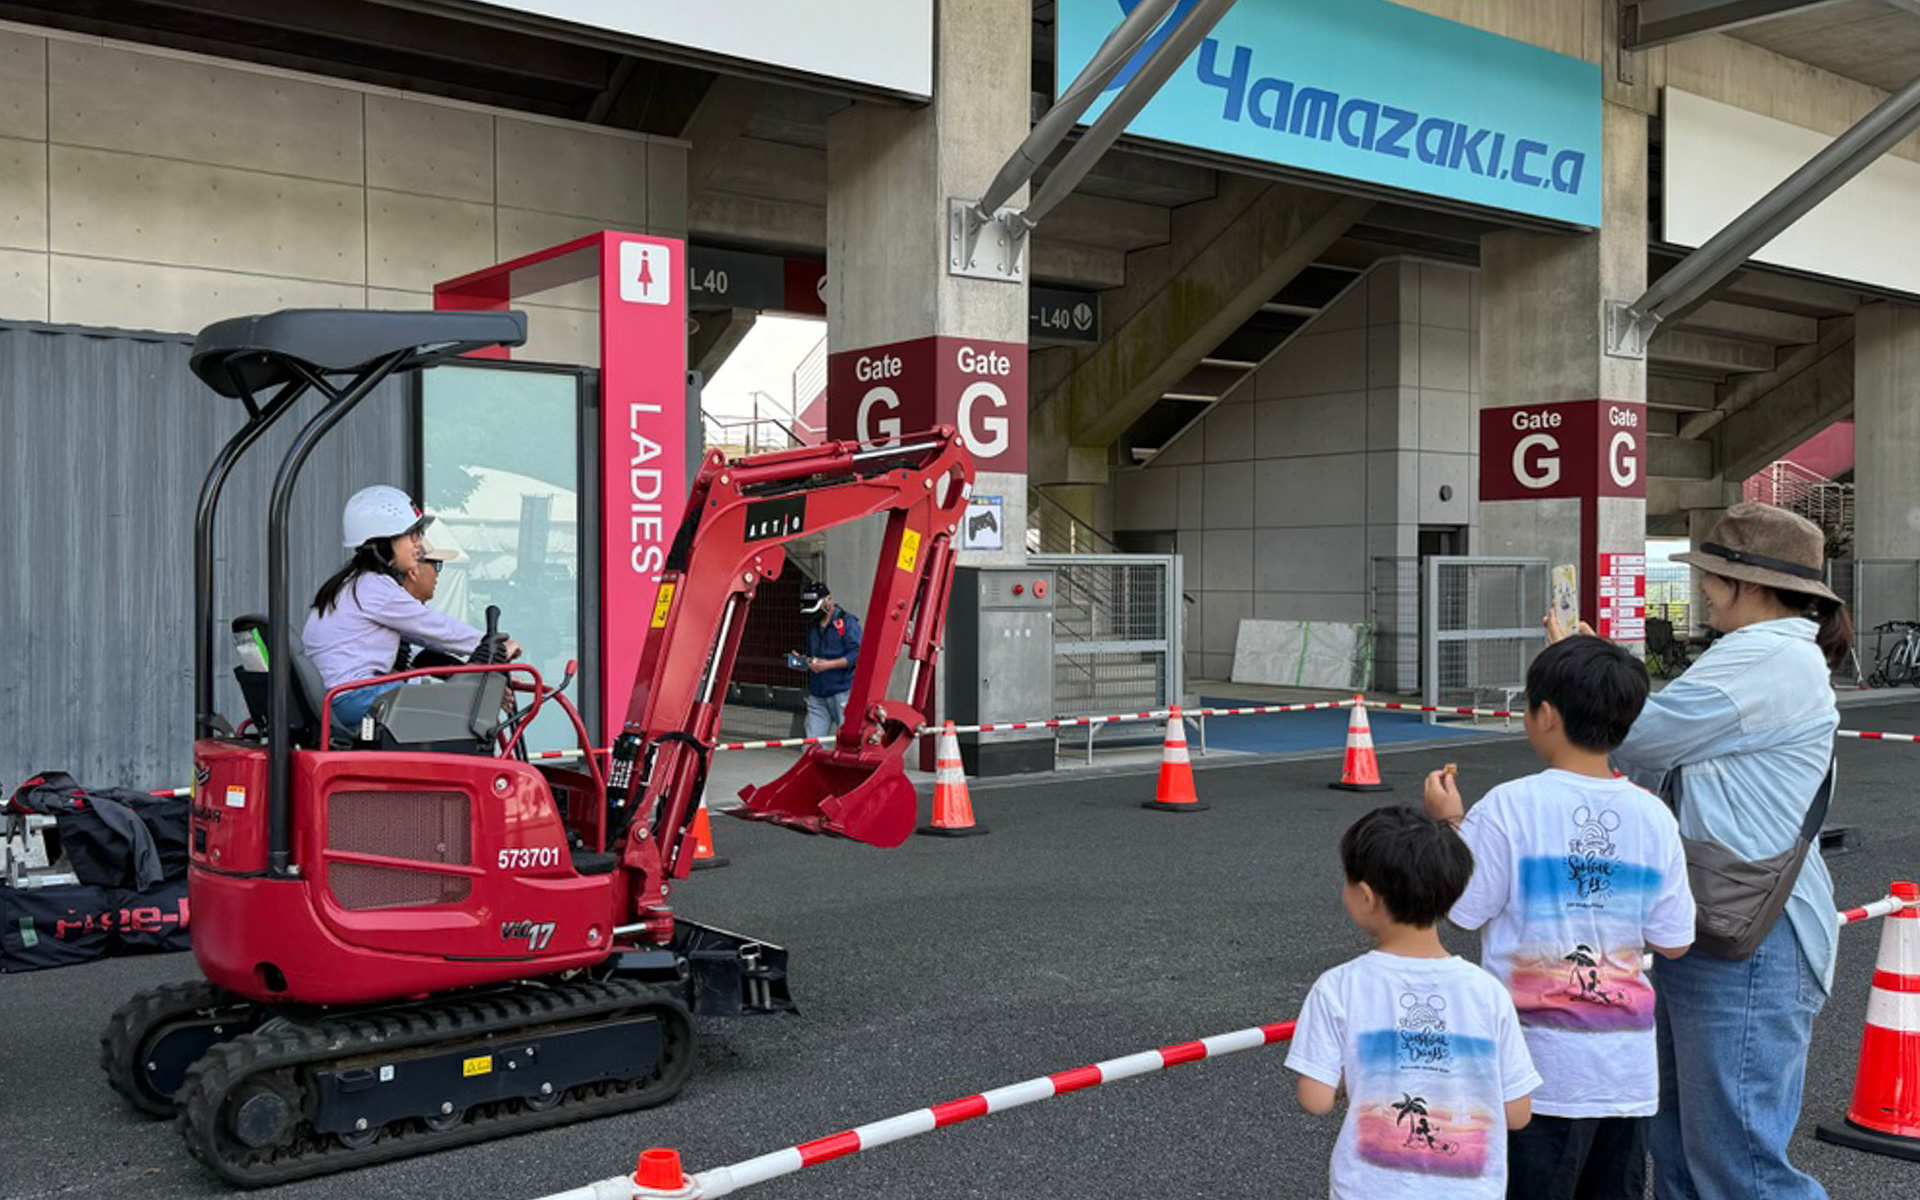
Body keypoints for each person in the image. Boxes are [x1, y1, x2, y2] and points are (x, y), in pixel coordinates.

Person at [1554, 502, 1850, 1200]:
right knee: (1686, 1152)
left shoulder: (1767, 655)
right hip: (1727, 924)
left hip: (1750, 939)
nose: (1702, 589)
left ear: (1746, 583)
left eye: (1710, 575)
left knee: (1737, 1166)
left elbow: (1638, 737)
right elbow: (1661, 744)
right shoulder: (1766, 652)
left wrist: (1574, 666)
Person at [1422, 637, 1695, 1200]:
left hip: (1533, 1070)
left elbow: (1463, 909)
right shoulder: (1653, 816)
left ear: (1544, 715)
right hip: (1624, 1071)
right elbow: (1674, 941)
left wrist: (1450, 826)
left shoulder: (1508, 805)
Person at [1287, 805, 1541, 1200]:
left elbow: (1315, 1099)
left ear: (1366, 896)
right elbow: (1518, 1113)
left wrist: (1353, 1075)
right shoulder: (1487, 992)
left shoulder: (1338, 986)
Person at [303, 485, 514, 726]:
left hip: (344, 698)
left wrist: (467, 670)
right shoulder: (375, 587)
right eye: (412, 535)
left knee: (447, 699)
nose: (419, 545)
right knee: (455, 713)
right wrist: (493, 644)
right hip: (353, 698)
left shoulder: (355, 583)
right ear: (384, 541)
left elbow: (418, 645)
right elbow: (433, 627)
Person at [798, 581, 861, 738]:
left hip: (842, 692)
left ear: (829, 601)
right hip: (817, 693)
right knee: (813, 742)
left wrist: (829, 665)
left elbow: (858, 654)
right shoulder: (813, 626)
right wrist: (803, 660)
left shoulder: (847, 622)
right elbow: (810, 653)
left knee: (848, 740)